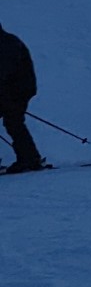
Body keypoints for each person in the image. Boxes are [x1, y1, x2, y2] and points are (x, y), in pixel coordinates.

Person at [0, 23, 42, 174]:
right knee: (14, 122)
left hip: (17, 91)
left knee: (13, 122)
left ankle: (29, 159)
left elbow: (4, 71)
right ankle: (30, 158)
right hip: (9, 91)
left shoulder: (7, 43)